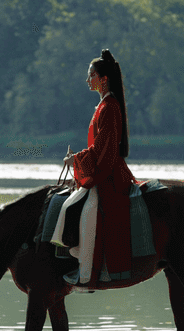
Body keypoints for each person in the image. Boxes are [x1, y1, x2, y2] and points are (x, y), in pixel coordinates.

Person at [51, 49, 136, 285]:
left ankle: (88, 274)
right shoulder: (103, 106)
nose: (88, 80)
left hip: (109, 175)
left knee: (87, 212)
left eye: (91, 75)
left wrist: (75, 160)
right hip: (103, 169)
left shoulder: (109, 107)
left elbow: (103, 150)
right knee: (72, 205)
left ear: (103, 78)